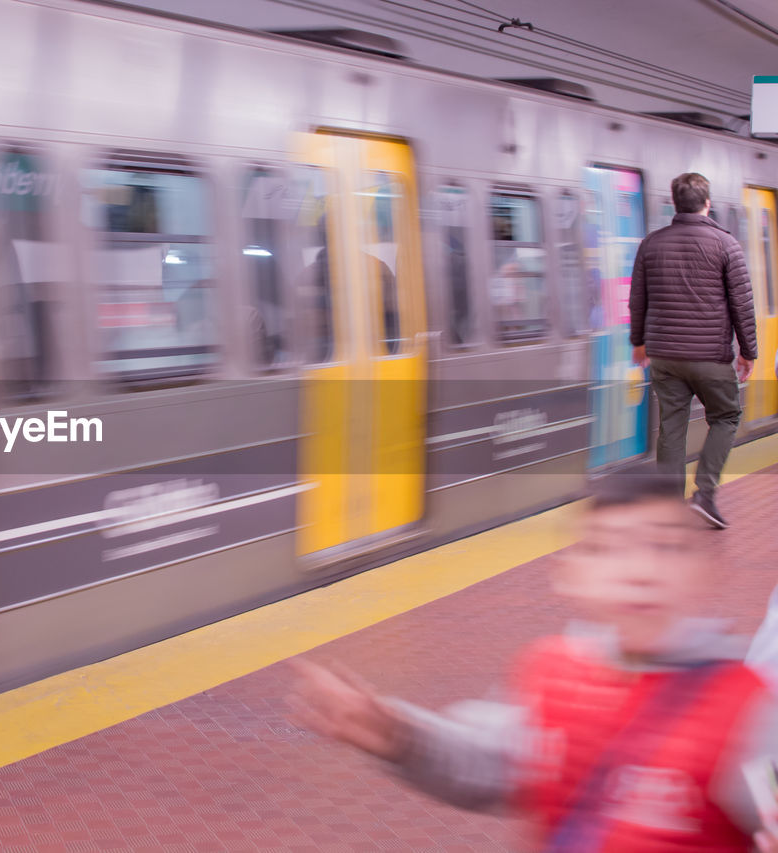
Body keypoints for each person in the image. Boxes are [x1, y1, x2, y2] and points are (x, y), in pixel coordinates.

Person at [288, 466, 778, 851]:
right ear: (570, 575)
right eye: (612, 549)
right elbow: (490, 767)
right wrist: (393, 734)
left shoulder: (745, 708)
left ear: (706, 572)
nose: (641, 571)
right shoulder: (552, 672)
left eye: (666, 548)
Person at [629, 172, 757, 529]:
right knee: (727, 416)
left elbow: (637, 299)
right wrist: (748, 351)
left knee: (671, 427)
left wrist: (638, 342)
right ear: (707, 203)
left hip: (665, 356)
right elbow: (742, 305)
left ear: (673, 202)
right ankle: (704, 493)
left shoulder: (651, 244)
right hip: (710, 355)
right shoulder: (726, 244)